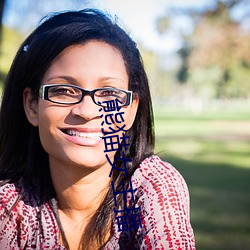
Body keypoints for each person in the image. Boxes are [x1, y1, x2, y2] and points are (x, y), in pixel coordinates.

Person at [0, 9, 195, 250]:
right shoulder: (9, 207)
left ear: (131, 110)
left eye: (109, 93)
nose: (87, 110)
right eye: (64, 90)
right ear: (32, 106)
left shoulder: (153, 187)